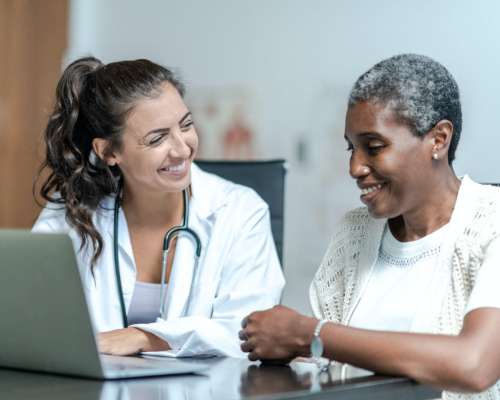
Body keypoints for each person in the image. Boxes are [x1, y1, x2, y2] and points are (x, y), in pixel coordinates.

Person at [240, 54, 500, 398]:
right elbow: (325, 365)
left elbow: (474, 365)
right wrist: (294, 346)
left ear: (438, 139)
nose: (355, 167)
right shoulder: (354, 233)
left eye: (373, 147)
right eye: (351, 148)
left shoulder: (490, 224)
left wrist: (309, 333)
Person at [32, 56, 284, 358]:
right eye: (158, 138)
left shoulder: (239, 212)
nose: (182, 149)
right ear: (109, 151)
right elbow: (30, 317)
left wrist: (141, 337)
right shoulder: (72, 215)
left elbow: (250, 332)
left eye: (186, 125)